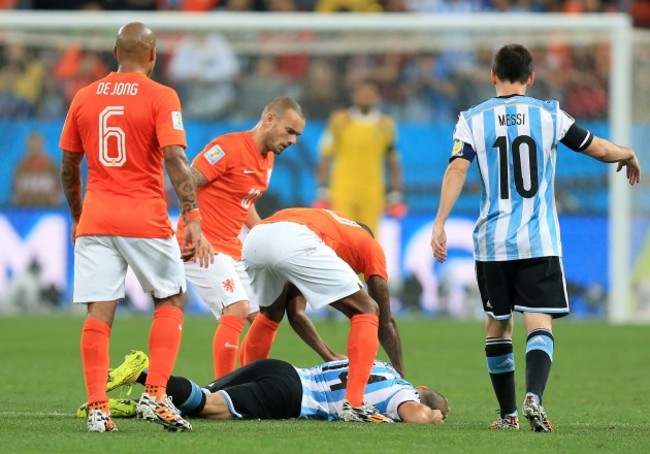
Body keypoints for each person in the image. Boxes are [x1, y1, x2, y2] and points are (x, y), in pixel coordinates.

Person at [430, 44, 641, 432]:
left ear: (492, 75)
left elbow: (457, 170)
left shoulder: (471, 119)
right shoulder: (548, 114)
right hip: (538, 240)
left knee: (497, 325)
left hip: (492, 243)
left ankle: (508, 414)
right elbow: (596, 147)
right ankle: (535, 397)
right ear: (530, 77)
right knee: (539, 323)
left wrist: (440, 222)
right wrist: (626, 153)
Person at [59, 22, 212, 433]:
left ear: (114, 51)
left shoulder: (84, 96)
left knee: (99, 312)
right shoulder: (162, 96)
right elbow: (176, 160)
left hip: (96, 217)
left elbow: (69, 166)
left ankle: (97, 409)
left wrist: (78, 215)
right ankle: (156, 394)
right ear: (153, 55)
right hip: (143, 217)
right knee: (172, 298)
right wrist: (193, 217)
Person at [176, 96, 305, 380]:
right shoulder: (227, 148)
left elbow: (245, 202)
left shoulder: (267, 158)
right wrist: (193, 226)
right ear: (269, 119)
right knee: (237, 307)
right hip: (200, 245)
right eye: (290, 131)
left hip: (232, 248)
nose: (293, 141)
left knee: (263, 317)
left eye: (297, 135)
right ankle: (225, 388)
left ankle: (250, 383)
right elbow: (186, 181)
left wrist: (266, 236)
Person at [239, 207, 403, 423]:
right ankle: (355, 404)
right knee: (367, 309)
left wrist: (328, 355)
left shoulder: (329, 228)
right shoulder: (369, 245)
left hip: (255, 238)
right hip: (293, 239)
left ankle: (240, 392)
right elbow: (385, 321)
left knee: (270, 314)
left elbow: (295, 313)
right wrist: (401, 379)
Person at [78, 350, 449, 424]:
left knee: (202, 394)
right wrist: (436, 416)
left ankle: (143, 400)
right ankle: (144, 374)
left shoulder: (378, 363)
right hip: (289, 396)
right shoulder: (402, 394)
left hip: (282, 368)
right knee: (206, 404)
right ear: (420, 390)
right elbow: (416, 416)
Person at [313, 77, 405, 236]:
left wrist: (396, 193)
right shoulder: (339, 122)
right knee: (342, 237)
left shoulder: (386, 125)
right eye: (362, 93)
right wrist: (322, 189)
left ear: (377, 97)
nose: (365, 96)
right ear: (354, 95)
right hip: (342, 192)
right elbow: (325, 156)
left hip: (372, 193)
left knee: (369, 239)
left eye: (370, 93)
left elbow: (393, 160)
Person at [12, 131, 61, 207]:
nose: (34, 147)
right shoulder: (21, 166)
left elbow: (57, 190)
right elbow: (15, 192)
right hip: (25, 210)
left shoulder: (51, 166)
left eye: (37, 144)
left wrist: (55, 201)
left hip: (47, 210)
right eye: (32, 144)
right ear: (27, 146)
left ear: (42, 145)